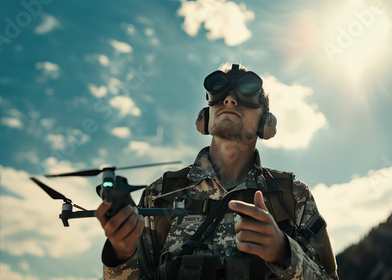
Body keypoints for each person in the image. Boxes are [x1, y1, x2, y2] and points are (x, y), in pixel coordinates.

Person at [95, 64, 339, 279]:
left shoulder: (293, 196)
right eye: (219, 94)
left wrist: (284, 252)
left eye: (245, 94)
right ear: (205, 116)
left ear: (266, 122)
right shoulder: (161, 193)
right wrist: (120, 253)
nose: (230, 100)